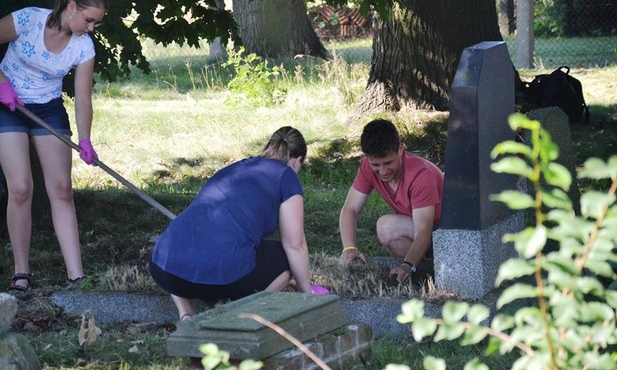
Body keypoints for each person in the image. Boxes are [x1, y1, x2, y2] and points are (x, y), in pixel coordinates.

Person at [150, 126, 327, 321]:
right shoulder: (287, 176)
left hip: (163, 268)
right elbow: (295, 244)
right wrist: (307, 293)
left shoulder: (236, 167)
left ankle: (187, 316)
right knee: (284, 259)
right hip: (220, 275)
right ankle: (237, 317)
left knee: (183, 246)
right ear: (297, 161)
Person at [0, 0, 106, 291]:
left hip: (48, 109)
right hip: (7, 105)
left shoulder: (84, 47)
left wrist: (84, 138)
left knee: (61, 189)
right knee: (20, 187)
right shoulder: (28, 20)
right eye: (89, 20)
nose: (92, 28)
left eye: (97, 23)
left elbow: (83, 99)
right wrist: (2, 85)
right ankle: (21, 273)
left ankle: (76, 275)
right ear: (71, 7)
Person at [339, 119, 444, 284]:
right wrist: (349, 248)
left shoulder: (421, 174)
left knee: (387, 226)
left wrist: (407, 265)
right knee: (387, 227)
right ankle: (420, 276)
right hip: (424, 232)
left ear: (400, 149)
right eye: (376, 164)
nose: (382, 171)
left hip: (447, 236)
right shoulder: (367, 167)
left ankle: (423, 273)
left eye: (388, 163)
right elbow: (350, 209)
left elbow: (423, 230)